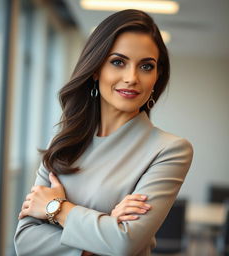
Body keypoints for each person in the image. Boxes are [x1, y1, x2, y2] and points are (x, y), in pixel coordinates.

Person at [14, 9, 193, 256]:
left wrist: (56, 208)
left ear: (157, 76)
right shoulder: (64, 143)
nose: (131, 78)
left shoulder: (170, 150)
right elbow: (24, 242)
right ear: (96, 68)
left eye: (146, 66)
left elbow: (124, 244)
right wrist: (107, 226)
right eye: (118, 62)